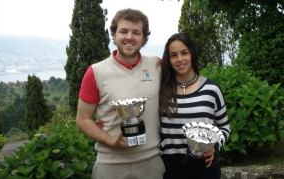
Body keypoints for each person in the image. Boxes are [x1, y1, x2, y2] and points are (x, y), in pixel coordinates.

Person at [76, 8, 165, 179]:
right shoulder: (95, 72)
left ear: (144, 38)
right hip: (110, 165)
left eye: (136, 32)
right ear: (114, 35)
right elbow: (82, 119)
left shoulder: (156, 65)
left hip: (151, 162)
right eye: (123, 31)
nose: (129, 37)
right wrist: (110, 141)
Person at [158, 33, 230, 179]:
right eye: (173, 55)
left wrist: (215, 146)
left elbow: (225, 128)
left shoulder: (211, 89)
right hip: (170, 169)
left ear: (192, 53)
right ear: (168, 59)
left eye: (184, 53)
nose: (180, 59)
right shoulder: (161, 91)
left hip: (205, 167)